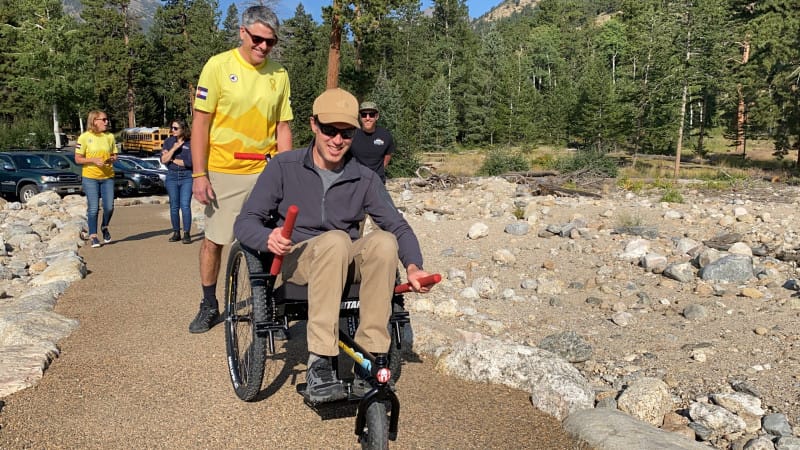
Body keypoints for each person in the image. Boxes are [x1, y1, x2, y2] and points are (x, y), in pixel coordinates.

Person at [233, 88, 432, 403]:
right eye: (329, 130)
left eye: (346, 132)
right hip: (296, 262)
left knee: (382, 241)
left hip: (342, 260)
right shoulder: (284, 167)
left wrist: (413, 266)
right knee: (337, 239)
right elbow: (245, 223)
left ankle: (372, 356)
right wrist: (267, 238)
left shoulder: (364, 178)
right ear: (313, 125)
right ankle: (321, 363)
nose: (337, 140)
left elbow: (397, 225)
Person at [188, 5, 293, 334]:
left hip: (265, 171)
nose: (263, 47)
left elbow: (283, 127)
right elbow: (201, 123)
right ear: (242, 33)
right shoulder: (218, 66)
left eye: (271, 42)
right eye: (258, 39)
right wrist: (198, 174)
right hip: (224, 170)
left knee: (274, 239)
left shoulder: (279, 74)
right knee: (215, 241)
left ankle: (268, 304)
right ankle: (208, 302)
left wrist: (286, 172)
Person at [75, 110, 118, 248]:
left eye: (107, 119)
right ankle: (93, 235)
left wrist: (112, 159)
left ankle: (104, 226)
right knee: (93, 208)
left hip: (107, 177)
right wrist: (93, 160)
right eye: (103, 120)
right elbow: (77, 159)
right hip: (90, 177)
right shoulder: (84, 137)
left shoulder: (110, 136)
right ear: (94, 121)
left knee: (109, 207)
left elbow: (115, 155)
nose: (107, 122)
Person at [161, 119, 193, 244]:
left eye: (175, 128)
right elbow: (163, 160)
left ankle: (186, 233)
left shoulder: (190, 143)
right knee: (174, 206)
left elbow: (189, 162)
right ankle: (176, 232)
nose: (172, 130)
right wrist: (173, 149)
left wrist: (171, 158)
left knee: (185, 205)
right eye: (172, 128)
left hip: (187, 177)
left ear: (183, 129)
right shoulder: (169, 142)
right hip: (172, 176)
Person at [349, 101, 395, 184]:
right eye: (364, 115)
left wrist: (380, 169)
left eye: (371, 114)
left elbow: (388, 155)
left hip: (378, 181)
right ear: (360, 117)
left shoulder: (385, 135)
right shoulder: (351, 135)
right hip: (356, 181)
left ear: (376, 116)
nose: (367, 118)